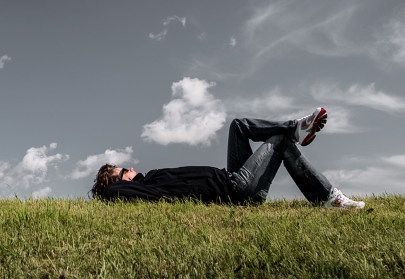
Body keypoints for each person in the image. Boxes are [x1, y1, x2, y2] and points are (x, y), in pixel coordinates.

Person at [90, 108, 365, 209]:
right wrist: (108, 183)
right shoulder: (136, 190)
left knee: (238, 125)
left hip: (231, 176)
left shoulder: (151, 178)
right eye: (123, 169)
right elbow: (113, 192)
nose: (130, 167)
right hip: (236, 189)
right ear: (118, 181)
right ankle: (330, 198)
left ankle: (295, 128)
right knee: (280, 143)